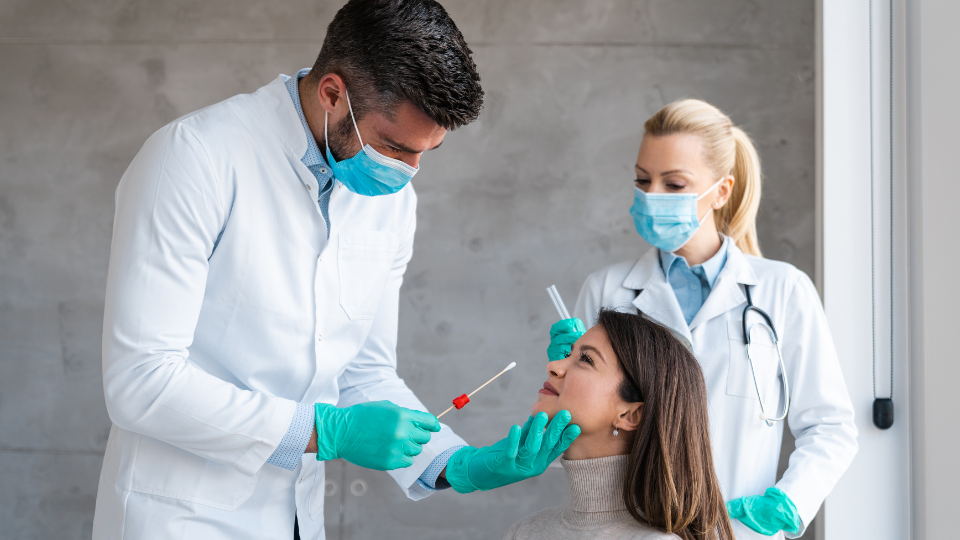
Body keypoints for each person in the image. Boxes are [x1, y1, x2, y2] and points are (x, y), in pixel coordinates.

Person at [93, 1, 578, 539]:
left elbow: (361, 374)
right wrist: (324, 430)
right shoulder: (194, 158)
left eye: (427, 152)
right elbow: (141, 382)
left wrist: (453, 464)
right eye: (394, 146)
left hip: (298, 516)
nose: (407, 172)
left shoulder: (392, 197)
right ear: (332, 93)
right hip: (182, 516)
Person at [548, 99, 857, 539]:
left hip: (740, 531)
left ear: (722, 191)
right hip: (632, 529)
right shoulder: (607, 291)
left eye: (674, 184)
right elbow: (578, 426)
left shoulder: (782, 290)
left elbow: (830, 426)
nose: (652, 196)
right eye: (642, 180)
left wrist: (791, 500)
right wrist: (565, 381)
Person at [506, 309, 734, 540]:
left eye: (586, 359)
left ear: (630, 415)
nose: (554, 366)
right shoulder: (524, 532)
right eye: (568, 354)